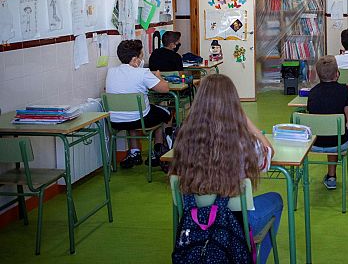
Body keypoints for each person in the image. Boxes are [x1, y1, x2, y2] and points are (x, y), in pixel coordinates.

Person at [170, 74, 281, 264]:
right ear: (234, 105)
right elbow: (269, 152)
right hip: (235, 221)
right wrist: (248, 124)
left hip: (194, 219)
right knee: (276, 200)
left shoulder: (183, 140)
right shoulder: (246, 143)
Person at [106, 40, 172, 169]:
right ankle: (157, 152)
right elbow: (165, 88)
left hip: (115, 121)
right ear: (135, 59)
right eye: (141, 55)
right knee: (164, 114)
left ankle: (134, 152)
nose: (142, 58)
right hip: (140, 119)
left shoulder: (111, 72)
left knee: (134, 112)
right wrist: (158, 77)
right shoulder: (143, 73)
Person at [307, 55, 348, 190]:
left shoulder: (312, 93)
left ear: (318, 75)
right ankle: (332, 177)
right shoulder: (344, 90)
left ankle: (331, 177)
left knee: (329, 126)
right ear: (337, 74)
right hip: (339, 143)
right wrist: (346, 124)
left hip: (314, 143)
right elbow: (347, 118)